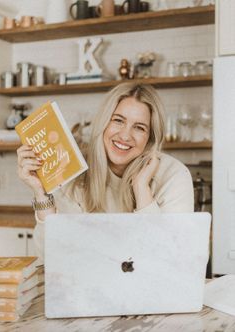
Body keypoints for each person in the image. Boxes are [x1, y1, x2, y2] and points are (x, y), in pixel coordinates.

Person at [17, 83, 194, 262]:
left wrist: (141, 188)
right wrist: (41, 193)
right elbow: (52, 257)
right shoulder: (74, 171)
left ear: (151, 138)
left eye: (139, 127)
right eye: (118, 120)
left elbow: (170, 261)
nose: (125, 136)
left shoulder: (174, 176)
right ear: (103, 123)